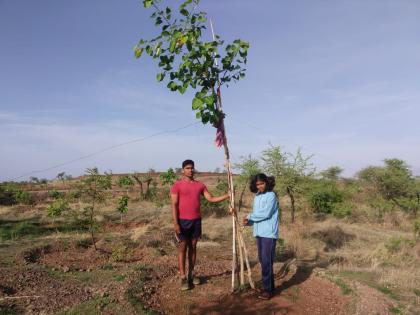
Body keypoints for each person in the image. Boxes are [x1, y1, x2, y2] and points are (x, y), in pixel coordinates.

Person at [171, 159, 230, 290]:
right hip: (182, 221)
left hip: (196, 221)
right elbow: (174, 205)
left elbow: (211, 198)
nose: (190, 170)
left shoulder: (200, 185)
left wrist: (227, 195)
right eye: (187, 168)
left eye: (192, 168)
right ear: (182, 170)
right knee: (182, 247)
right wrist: (176, 223)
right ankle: (182, 277)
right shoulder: (177, 185)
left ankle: (191, 274)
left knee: (193, 246)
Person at [243, 173, 279, 300]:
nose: (260, 186)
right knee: (264, 261)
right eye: (257, 184)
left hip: (269, 233)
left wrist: (249, 216)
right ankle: (270, 287)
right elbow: (257, 215)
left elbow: (266, 213)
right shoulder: (257, 196)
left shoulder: (271, 195)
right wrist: (250, 222)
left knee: (266, 261)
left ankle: (267, 290)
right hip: (259, 232)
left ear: (267, 183)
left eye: (262, 183)